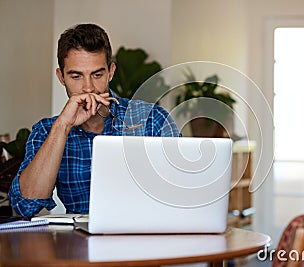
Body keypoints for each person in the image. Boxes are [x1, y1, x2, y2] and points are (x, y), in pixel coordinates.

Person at [8, 24, 181, 217]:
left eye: (97, 75)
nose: (88, 88)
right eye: (76, 76)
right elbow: (25, 206)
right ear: (61, 77)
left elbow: (186, 192)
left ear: (111, 72)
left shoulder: (152, 119)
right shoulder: (47, 131)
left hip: (146, 235)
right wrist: (63, 127)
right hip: (77, 243)